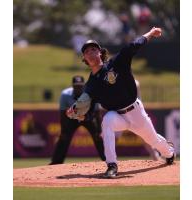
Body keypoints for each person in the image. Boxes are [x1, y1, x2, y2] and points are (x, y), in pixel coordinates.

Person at [66, 27, 175, 178]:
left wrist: (150, 33)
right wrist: (75, 112)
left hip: (135, 112)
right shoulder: (90, 84)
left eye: (93, 49)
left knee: (154, 141)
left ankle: (169, 152)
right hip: (117, 116)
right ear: (84, 58)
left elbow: (133, 45)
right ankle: (112, 165)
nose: (90, 52)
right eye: (86, 51)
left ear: (100, 52)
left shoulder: (116, 63)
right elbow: (87, 107)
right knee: (107, 121)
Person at [49, 75, 106, 165]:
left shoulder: (90, 93)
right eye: (76, 86)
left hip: (87, 116)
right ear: (72, 86)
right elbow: (62, 113)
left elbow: (97, 112)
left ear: (84, 85)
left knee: (98, 136)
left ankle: (107, 159)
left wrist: (99, 130)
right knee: (64, 136)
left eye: (80, 86)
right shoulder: (65, 95)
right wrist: (63, 130)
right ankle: (56, 162)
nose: (78, 88)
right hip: (72, 118)